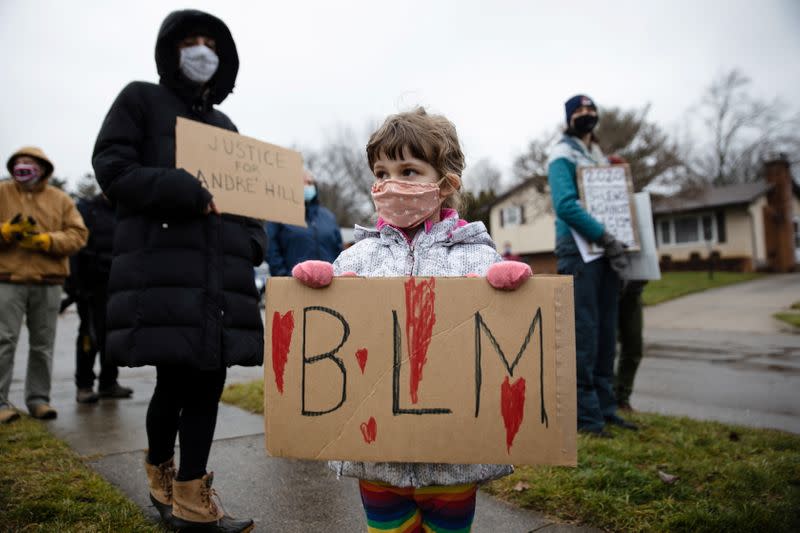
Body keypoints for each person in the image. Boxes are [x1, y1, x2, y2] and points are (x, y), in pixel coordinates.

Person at [291, 108, 532, 532]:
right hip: (377, 456)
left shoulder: (474, 253)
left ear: (446, 184)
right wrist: (330, 285)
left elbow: (494, 329)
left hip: (453, 459)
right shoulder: (358, 255)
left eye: (408, 170)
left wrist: (497, 286)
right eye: (381, 171)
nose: (390, 183)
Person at [91, 10, 262, 532]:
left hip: (217, 276)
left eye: (211, 43)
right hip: (164, 270)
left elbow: (244, 195)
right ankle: (160, 473)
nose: (201, 50)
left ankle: (192, 501)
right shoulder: (139, 99)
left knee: (209, 379)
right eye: (190, 41)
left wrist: (252, 236)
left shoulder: (225, 126)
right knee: (175, 380)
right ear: (171, 49)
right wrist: (179, 187)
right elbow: (112, 167)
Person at [547, 94, 637, 438]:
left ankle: (605, 407)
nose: (587, 114)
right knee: (583, 334)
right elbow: (566, 206)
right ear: (569, 118)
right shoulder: (562, 154)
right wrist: (607, 237)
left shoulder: (597, 157)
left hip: (603, 252)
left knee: (605, 333)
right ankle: (586, 417)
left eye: (591, 109)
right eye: (579, 110)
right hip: (578, 251)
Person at [0, 147, 88, 423]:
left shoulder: (60, 199)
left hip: (48, 282)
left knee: (42, 344)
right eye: (18, 163)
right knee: (4, 340)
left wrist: (46, 241)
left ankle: (38, 399)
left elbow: (78, 234)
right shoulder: (2, 193)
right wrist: (5, 232)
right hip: (7, 279)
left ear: (43, 168)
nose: (23, 167)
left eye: (29, 163)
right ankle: (0, 402)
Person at [65, 193, 132, 404]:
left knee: (114, 335)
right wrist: (75, 286)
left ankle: (108, 383)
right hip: (91, 286)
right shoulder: (87, 209)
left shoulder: (127, 210)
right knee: (89, 335)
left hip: (119, 286)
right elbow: (75, 248)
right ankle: (84, 385)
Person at [266, 170, 343, 276]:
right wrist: (283, 276)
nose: (306, 186)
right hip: (293, 285)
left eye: (310, 183)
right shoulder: (279, 215)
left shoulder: (328, 217)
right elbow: (271, 251)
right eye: (301, 183)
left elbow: (339, 251)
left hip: (330, 285)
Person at [614, 280, 647, 412]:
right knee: (605, 349)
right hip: (606, 284)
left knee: (634, 346)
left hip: (633, 288)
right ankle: (607, 397)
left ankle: (622, 398)